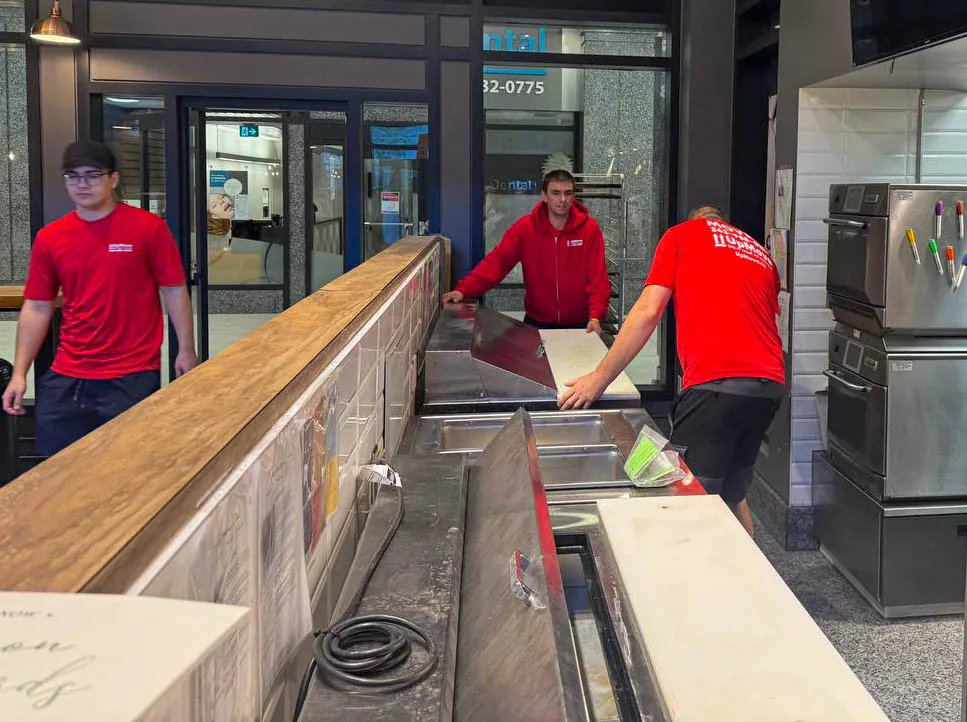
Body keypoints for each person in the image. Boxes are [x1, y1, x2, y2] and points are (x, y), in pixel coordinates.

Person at [560, 206, 785, 536]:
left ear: (697, 220)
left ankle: (694, 583)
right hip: (768, 386)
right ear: (725, 224)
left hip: (716, 384)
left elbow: (648, 311)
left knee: (685, 498)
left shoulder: (682, 235)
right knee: (733, 494)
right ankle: (751, 581)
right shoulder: (758, 252)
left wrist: (599, 378)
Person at [2, 140, 198, 456]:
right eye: (72, 175)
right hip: (69, 375)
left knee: (127, 471)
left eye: (92, 174)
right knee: (58, 473)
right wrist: (20, 373)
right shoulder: (51, 238)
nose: (82, 183)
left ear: (113, 179)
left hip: (132, 375)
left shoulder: (147, 229)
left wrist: (186, 350)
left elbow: (174, 290)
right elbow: (37, 306)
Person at [442, 169, 611, 335]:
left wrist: (595, 316)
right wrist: (463, 290)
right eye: (556, 193)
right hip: (537, 323)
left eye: (568, 193)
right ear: (544, 196)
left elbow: (598, 277)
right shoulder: (525, 229)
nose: (562, 199)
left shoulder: (589, 229)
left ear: (573, 196)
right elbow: (496, 263)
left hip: (580, 324)